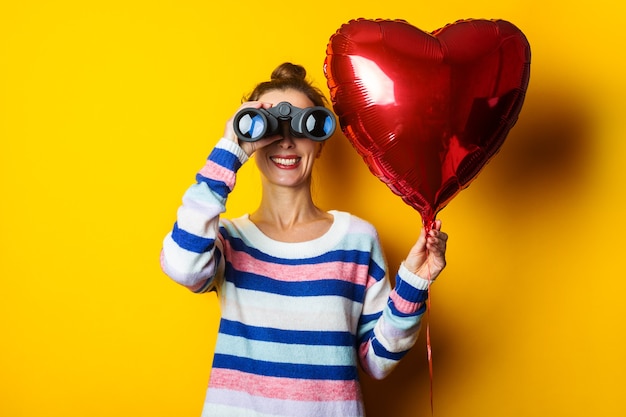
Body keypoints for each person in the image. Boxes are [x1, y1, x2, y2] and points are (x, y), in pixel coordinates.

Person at [160, 62, 448, 417]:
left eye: (302, 125)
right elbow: (182, 265)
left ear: (320, 142)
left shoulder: (355, 239)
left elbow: (378, 362)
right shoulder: (228, 240)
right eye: (268, 127)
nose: (285, 140)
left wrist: (414, 282)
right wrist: (229, 149)